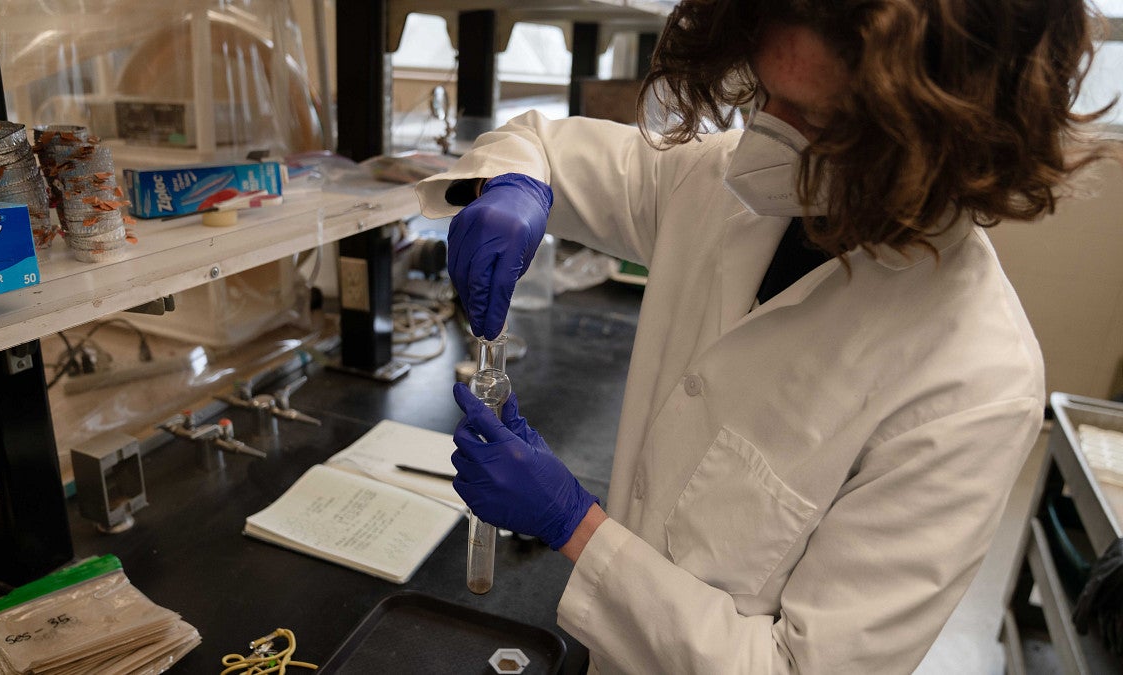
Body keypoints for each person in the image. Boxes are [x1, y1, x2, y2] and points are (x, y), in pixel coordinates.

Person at [415, 1, 1112, 672]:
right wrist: (516, 186)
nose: (766, 138)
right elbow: (540, 144)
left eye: (815, 117)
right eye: (765, 93)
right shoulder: (723, 185)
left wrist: (573, 524)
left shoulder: (974, 381)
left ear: (939, 141)